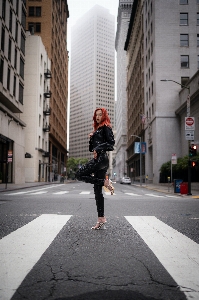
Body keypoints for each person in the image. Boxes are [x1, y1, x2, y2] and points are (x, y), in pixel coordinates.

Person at [75, 108, 115, 230]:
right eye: (96, 115)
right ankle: (101, 218)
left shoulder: (106, 127)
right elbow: (91, 149)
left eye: (100, 115)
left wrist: (98, 148)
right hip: (100, 160)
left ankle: (104, 182)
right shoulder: (97, 130)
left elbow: (111, 144)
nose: (97, 117)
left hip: (101, 160)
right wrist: (92, 137)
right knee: (98, 192)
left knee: (79, 174)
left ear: (104, 116)